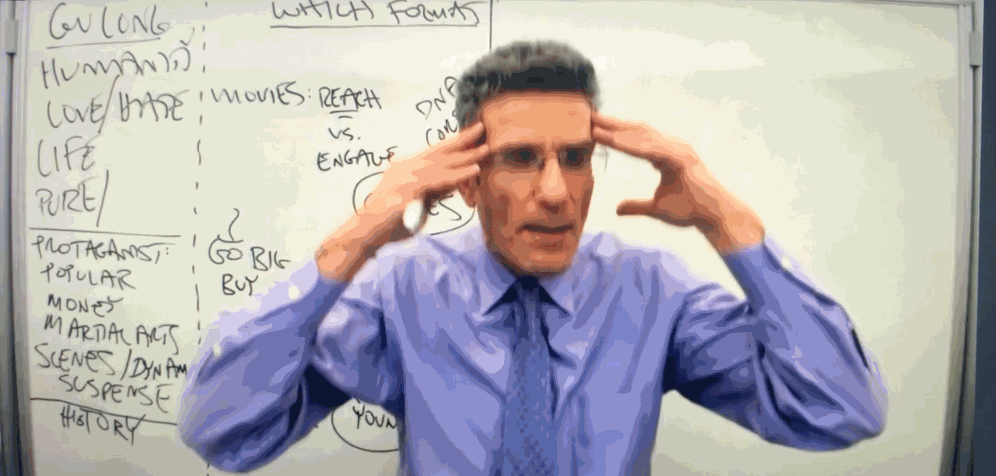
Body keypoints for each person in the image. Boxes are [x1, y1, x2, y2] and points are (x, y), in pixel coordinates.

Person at [178, 40, 889, 476]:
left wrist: (727, 220)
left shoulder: (652, 290)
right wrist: (356, 237)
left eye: (575, 158)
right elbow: (222, 432)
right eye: (521, 158)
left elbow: (839, 411)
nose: (555, 193)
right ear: (469, 180)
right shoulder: (403, 290)